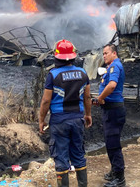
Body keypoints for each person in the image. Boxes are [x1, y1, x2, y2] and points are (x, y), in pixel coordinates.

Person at [39, 39, 91, 187]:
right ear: (73, 56)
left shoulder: (53, 75)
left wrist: (41, 120)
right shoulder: (82, 73)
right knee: (79, 155)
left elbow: (45, 101)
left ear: (56, 57)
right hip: (77, 119)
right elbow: (87, 97)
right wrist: (88, 114)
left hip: (59, 122)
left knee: (61, 157)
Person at [94, 43, 126, 187]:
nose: (104, 55)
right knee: (110, 143)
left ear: (114, 53)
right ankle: (114, 171)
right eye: (103, 53)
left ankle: (120, 179)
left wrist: (100, 98)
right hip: (110, 109)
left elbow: (112, 85)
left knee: (113, 144)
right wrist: (100, 99)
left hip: (114, 110)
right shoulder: (110, 67)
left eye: (106, 53)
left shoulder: (115, 66)